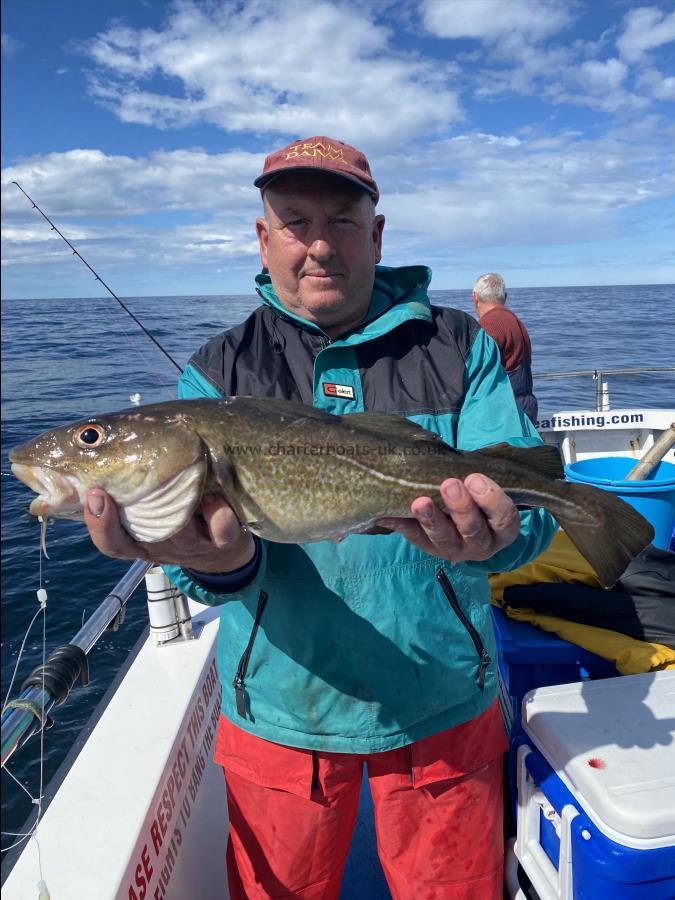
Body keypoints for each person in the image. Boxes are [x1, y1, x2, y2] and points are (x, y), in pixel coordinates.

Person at [83, 136, 555, 899]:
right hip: (279, 705)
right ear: (262, 238)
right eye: (295, 221)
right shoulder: (216, 371)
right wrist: (212, 563)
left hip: (442, 695)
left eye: (341, 220)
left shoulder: (460, 343)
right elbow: (206, 573)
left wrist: (496, 537)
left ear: (375, 234)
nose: (318, 244)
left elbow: (526, 523)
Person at [472, 273, 538, 423]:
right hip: (526, 406)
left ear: (474, 297)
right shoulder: (517, 322)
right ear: (505, 296)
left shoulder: (488, 325)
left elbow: (477, 373)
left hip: (502, 411)